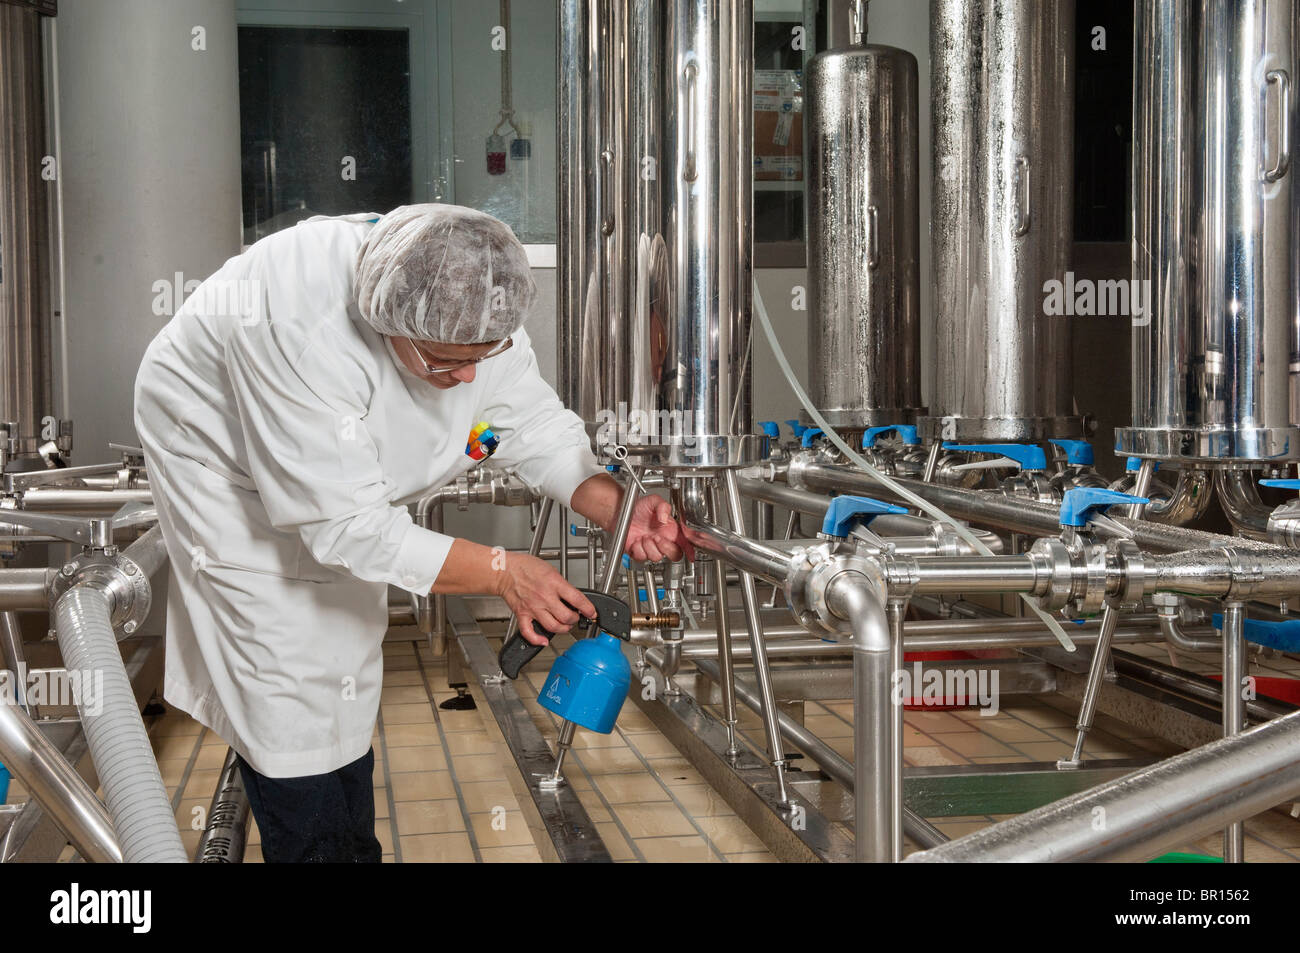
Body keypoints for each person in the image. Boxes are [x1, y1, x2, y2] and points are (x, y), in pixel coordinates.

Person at [133, 204, 687, 862]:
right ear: (385, 321)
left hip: (338, 474)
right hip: (224, 473)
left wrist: (612, 502)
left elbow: (524, 423)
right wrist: (504, 572)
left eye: (486, 354)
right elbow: (347, 526)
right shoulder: (299, 326)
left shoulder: (474, 298)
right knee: (280, 678)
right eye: (449, 362)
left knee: (339, 655)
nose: (470, 377)